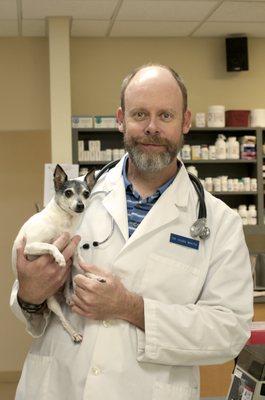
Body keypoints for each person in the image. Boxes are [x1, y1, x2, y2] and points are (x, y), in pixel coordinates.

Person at [10, 64, 253, 400]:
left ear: (185, 122)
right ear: (121, 119)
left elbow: (230, 331)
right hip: (59, 387)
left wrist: (130, 307)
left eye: (165, 115)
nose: (152, 127)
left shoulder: (219, 222)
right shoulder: (76, 201)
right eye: (140, 114)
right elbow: (28, 298)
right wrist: (29, 293)